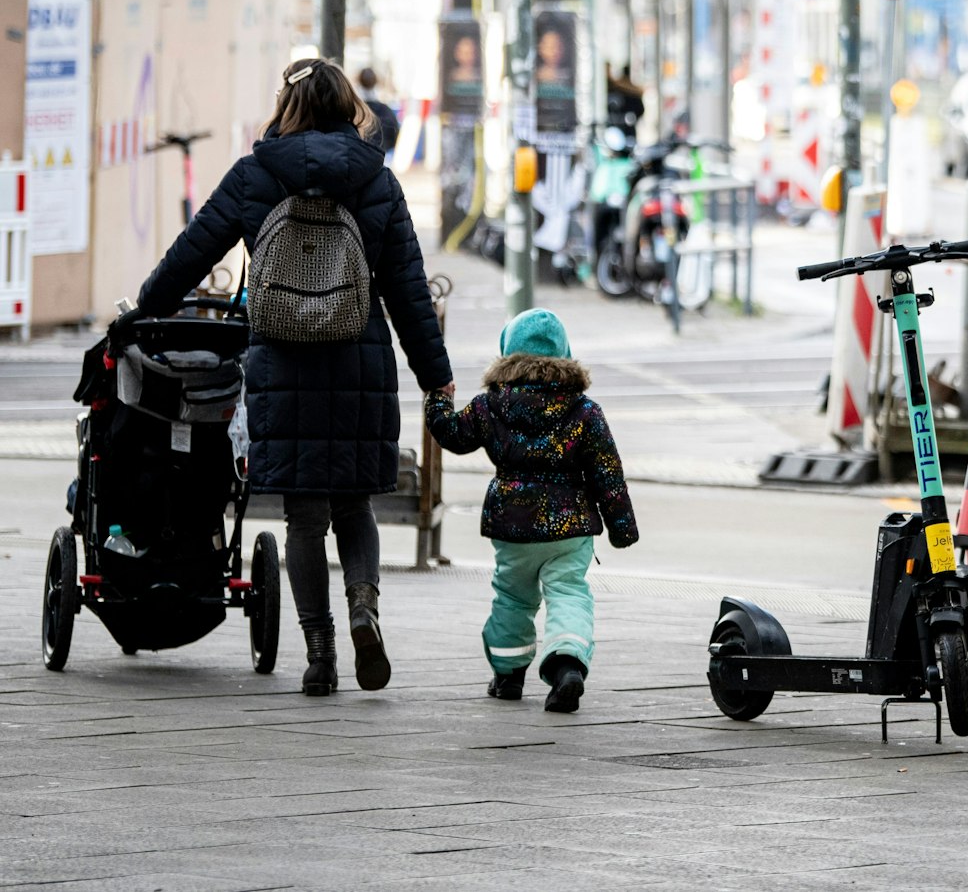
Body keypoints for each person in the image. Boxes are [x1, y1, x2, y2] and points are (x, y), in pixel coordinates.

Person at [139, 57, 454, 697]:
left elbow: (194, 249)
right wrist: (436, 377)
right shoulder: (379, 182)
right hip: (360, 359)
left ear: (287, 109)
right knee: (355, 502)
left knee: (305, 517)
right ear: (349, 108)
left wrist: (148, 305)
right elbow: (408, 292)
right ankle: (364, 604)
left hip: (282, 361)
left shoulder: (257, 174)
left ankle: (321, 651)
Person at [424, 308, 638, 713]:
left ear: (508, 352)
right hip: (570, 527)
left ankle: (507, 675)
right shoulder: (585, 411)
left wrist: (438, 399)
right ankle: (567, 665)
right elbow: (608, 472)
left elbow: (452, 434)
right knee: (569, 592)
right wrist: (622, 527)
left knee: (512, 597)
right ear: (565, 354)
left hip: (514, 524)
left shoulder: (492, 404)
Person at [356, 67, 400, 157]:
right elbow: (394, 135)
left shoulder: (354, 110)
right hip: (382, 156)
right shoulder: (386, 110)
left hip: (360, 156)